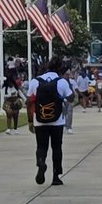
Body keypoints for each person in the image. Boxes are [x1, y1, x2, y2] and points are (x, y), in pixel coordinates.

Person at [27, 57, 73, 186]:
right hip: (57, 120)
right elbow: (71, 97)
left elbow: (29, 101)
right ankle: (56, 176)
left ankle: (41, 162)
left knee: (41, 146)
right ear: (60, 69)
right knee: (56, 147)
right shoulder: (62, 82)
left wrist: (30, 121)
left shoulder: (35, 82)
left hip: (39, 120)